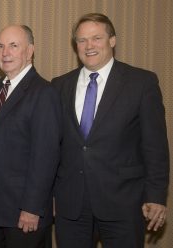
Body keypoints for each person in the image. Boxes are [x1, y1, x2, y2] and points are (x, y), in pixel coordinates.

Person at [52, 13, 170, 248]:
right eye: (82, 40)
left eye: (96, 38)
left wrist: (156, 197)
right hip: (71, 206)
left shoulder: (141, 83)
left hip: (123, 203)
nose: (89, 46)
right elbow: (53, 146)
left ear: (112, 41)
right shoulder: (59, 86)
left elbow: (155, 146)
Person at [0, 25, 61, 248]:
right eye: (0, 46)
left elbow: (46, 157)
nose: (5, 52)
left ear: (30, 51)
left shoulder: (44, 92)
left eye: (14, 46)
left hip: (25, 215)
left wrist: (32, 208)